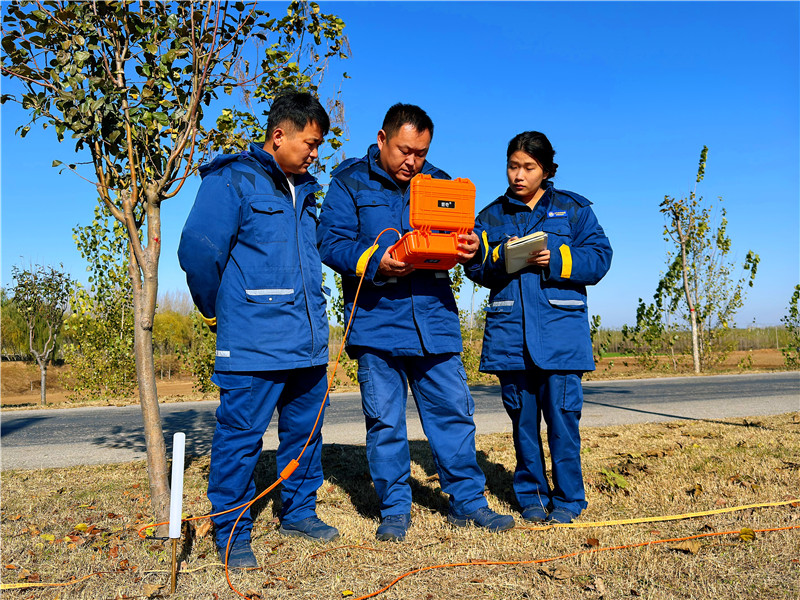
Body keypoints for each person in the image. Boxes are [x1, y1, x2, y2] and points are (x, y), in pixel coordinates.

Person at [317, 103, 515, 542]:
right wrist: (374, 261)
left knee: (453, 416)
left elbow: (473, 236)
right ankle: (394, 511)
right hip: (375, 325)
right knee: (385, 422)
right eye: (406, 150)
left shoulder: (442, 183)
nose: (413, 162)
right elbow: (329, 241)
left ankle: (468, 503)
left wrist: (473, 247)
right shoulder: (349, 182)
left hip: (434, 321)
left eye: (421, 153)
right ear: (382, 139)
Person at [178, 91, 338, 569]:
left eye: (319, 145)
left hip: (306, 344)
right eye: (310, 142)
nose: (315, 152)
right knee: (240, 438)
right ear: (278, 135)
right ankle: (231, 530)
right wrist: (214, 312)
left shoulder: (307, 192)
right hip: (252, 343)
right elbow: (198, 251)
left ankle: (299, 512)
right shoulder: (233, 180)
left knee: (306, 436)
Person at [464, 131, 612, 524]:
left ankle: (568, 500)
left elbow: (599, 258)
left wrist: (557, 259)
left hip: (561, 339)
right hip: (511, 338)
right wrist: (501, 256)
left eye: (528, 167)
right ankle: (530, 496)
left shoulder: (575, 209)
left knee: (563, 422)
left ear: (546, 170)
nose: (519, 175)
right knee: (524, 425)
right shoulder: (491, 215)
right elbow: (475, 266)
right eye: (513, 166)